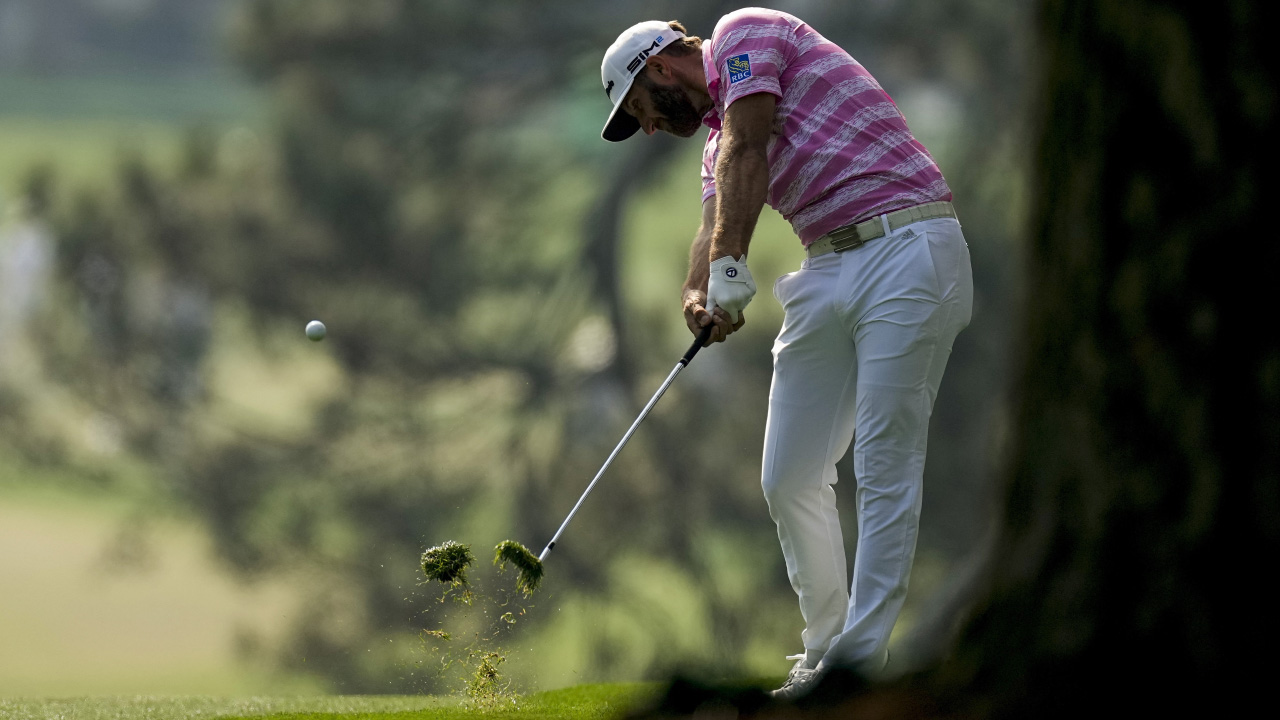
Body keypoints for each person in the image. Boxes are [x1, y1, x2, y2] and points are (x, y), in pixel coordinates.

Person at [598, 8, 974, 698]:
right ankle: (824, 647)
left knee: (884, 460)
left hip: (907, 243)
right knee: (788, 474)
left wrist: (731, 264)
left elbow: (751, 146)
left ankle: (858, 664)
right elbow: (713, 219)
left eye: (639, 109)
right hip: (827, 265)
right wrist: (697, 292)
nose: (647, 128)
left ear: (659, 67)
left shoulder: (746, 33)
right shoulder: (714, 146)